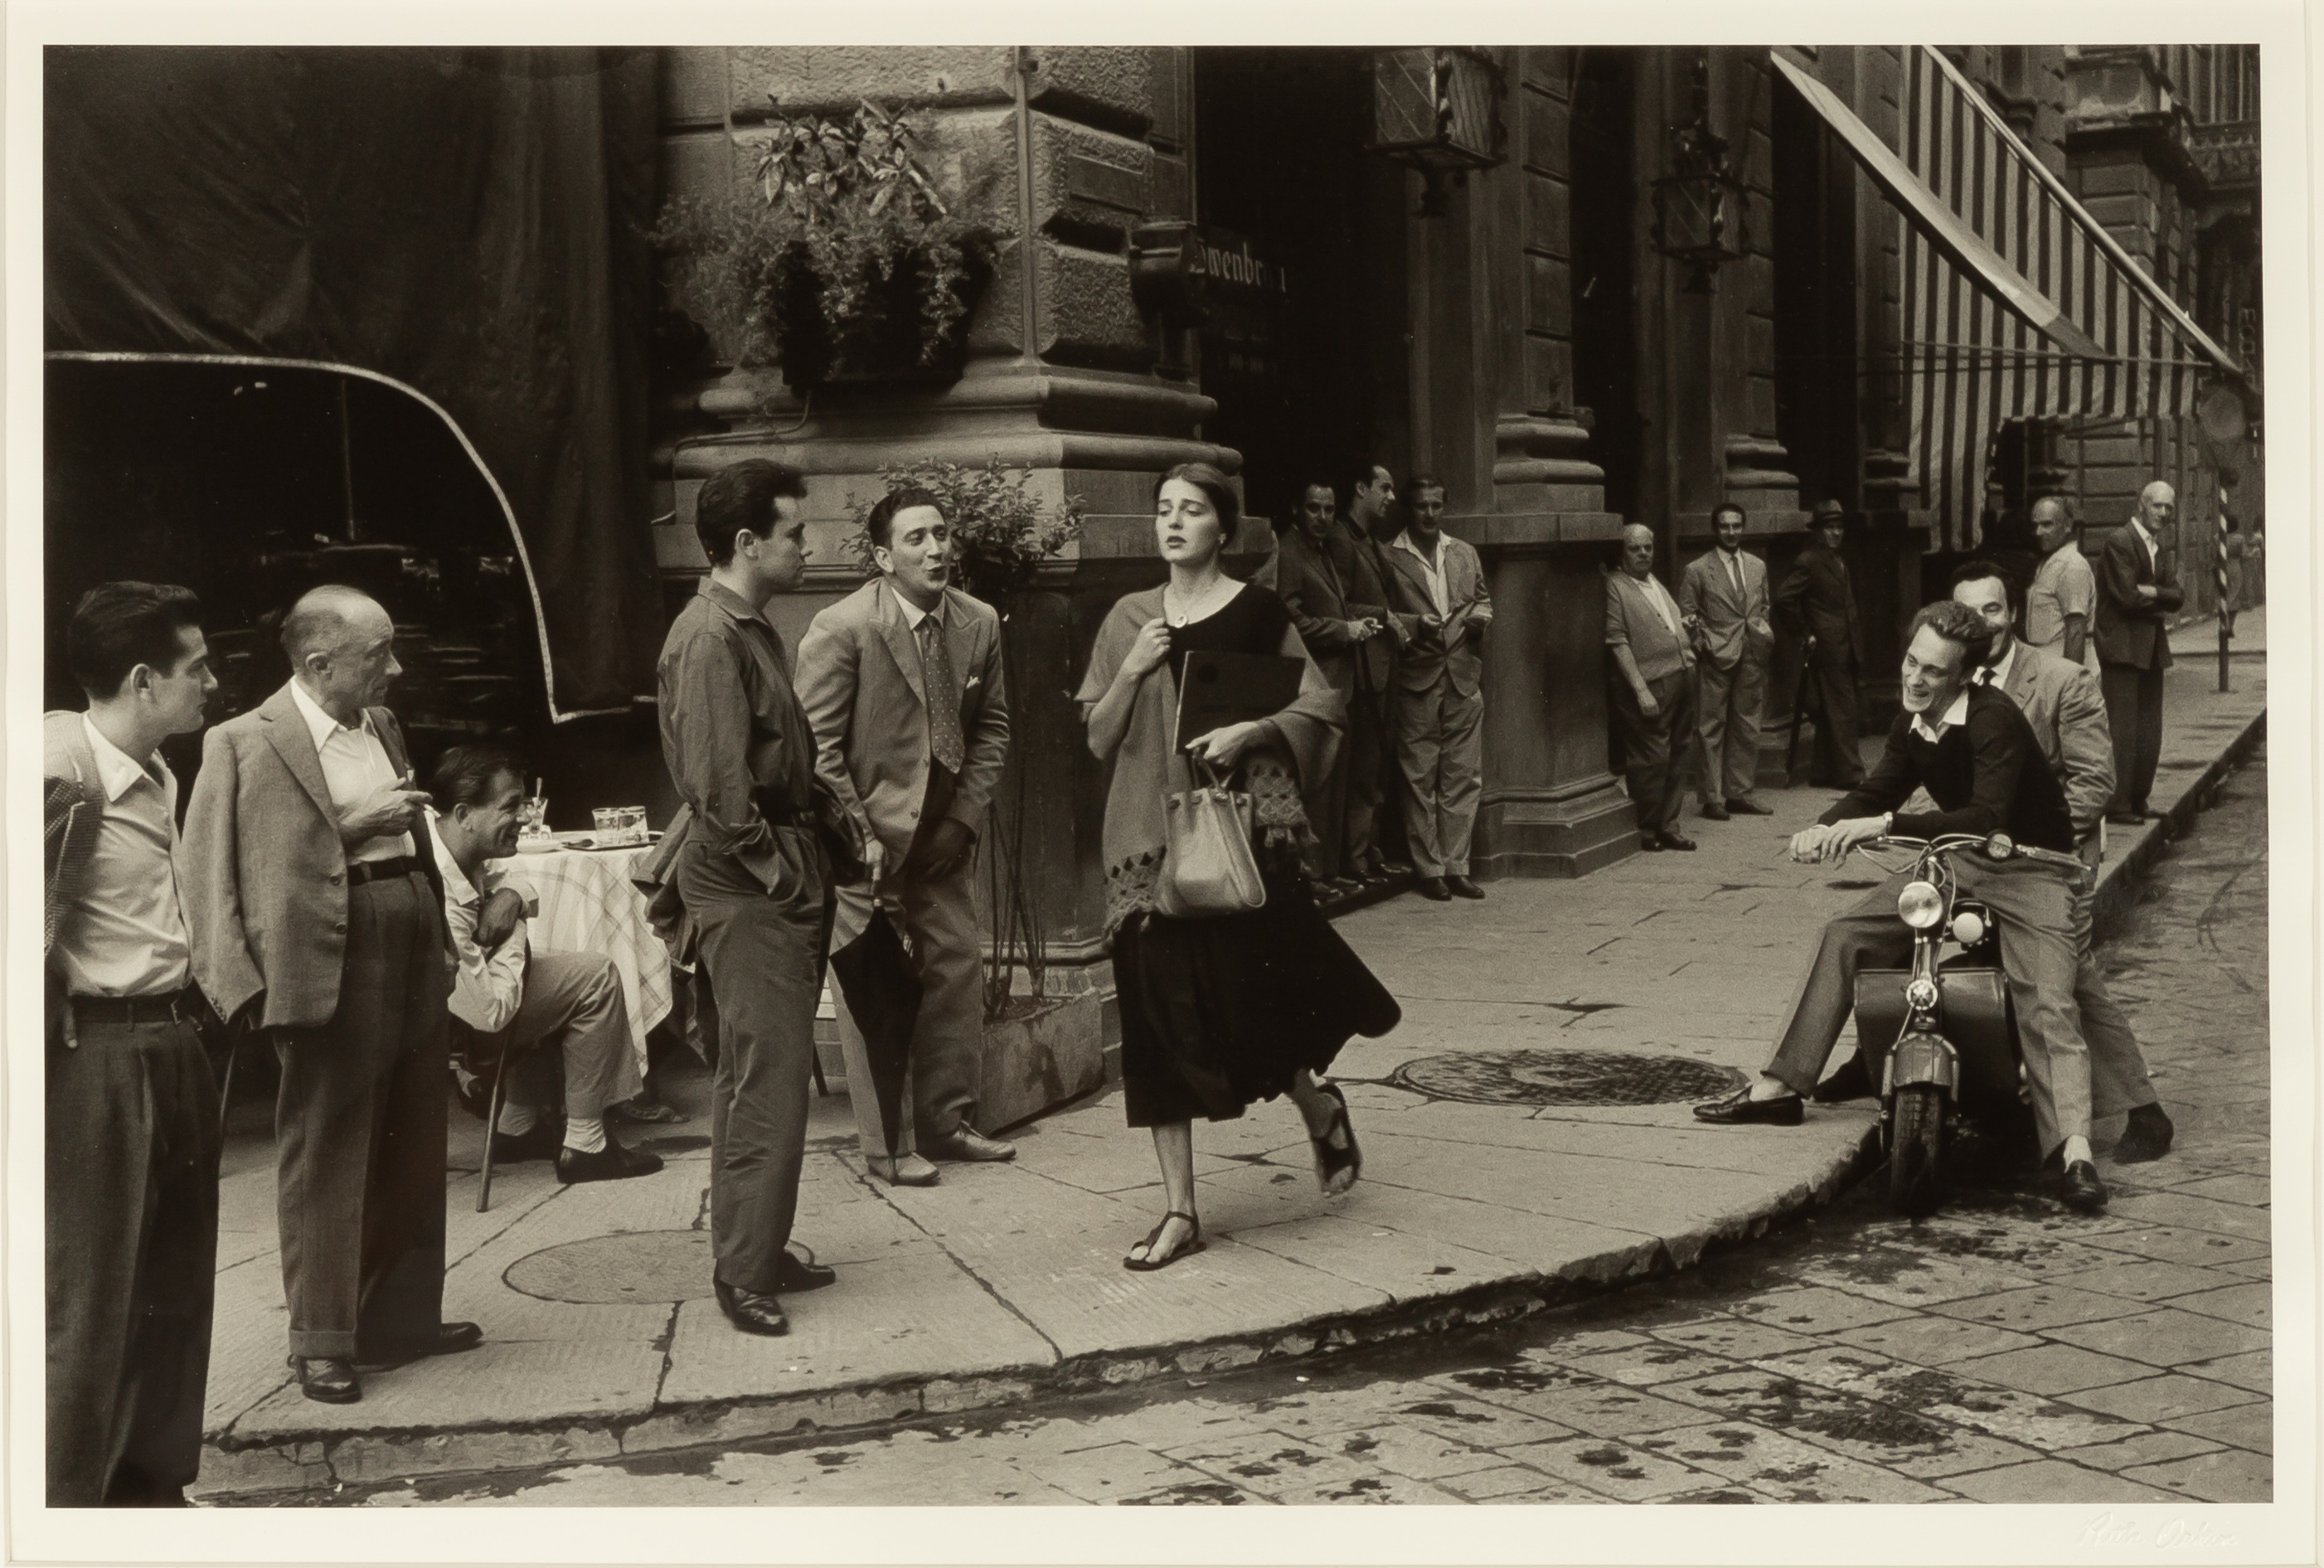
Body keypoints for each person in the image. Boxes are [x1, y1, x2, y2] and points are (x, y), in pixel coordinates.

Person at [1075, 462, 1400, 1271]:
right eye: (1163, 510)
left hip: (1241, 838)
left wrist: (1251, 731)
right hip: (1148, 847)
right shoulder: (1128, 618)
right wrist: (1132, 668)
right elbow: (1096, 735)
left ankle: (1315, 1104)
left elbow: (1320, 705)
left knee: (1253, 1006)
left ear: (1223, 528)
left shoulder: (1257, 613)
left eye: (1191, 511)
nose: (1173, 522)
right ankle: (1180, 1209)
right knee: (1156, 1029)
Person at [1692, 600, 2108, 1212]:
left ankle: (2073, 1152)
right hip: (1955, 862)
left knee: (2048, 1000)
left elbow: (1984, 815)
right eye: (1912, 662)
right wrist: (1823, 827)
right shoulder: (1911, 721)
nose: (1915, 679)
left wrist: (1878, 825)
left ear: (1963, 676)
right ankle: (1780, 1084)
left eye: (1933, 672)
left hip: (2030, 868)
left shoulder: (1993, 718)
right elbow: (1877, 786)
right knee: (1845, 931)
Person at [183, 585, 481, 1405]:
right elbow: (208, 875)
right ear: (318, 662)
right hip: (326, 950)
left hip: (407, 930)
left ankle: (404, 1316)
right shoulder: (242, 743)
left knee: (416, 1133)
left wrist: (444, 937)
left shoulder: (380, 725)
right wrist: (240, 992)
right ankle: (321, 1339)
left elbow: (414, 837)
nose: (397, 667)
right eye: (378, 653)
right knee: (328, 1148)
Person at [44, 583, 221, 1504]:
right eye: (197, 668)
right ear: (145, 679)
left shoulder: (155, 771)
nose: (212, 683)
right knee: (92, 1300)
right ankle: (65, 1511)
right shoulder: (53, 763)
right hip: (96, 1057)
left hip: (169, 1039)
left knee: (176, 1287)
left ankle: (152, 1494)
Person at [656, 459, 839, 1337]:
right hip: (750, 881)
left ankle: (755, 1247)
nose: (808, 546)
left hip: (770, 871)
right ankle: (744, 1272)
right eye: (794, 533)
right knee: (767, 1080)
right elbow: (722, 792)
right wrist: (782, 871)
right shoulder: (707, 639)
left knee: (757, 1074)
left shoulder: (743, 625)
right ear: (745, 543)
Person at [797, 486, 1016, 1187]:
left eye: (942, 533)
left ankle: (948, 1123)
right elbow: (817, 749)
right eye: (916, 538)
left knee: (954, 970)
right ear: (883, 556)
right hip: (863, 843)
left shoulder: (977, 622)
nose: (935, 548)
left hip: (941, 835)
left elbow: (992, 726)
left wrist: (961, 819)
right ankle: (887, 1146)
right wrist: (859, 836)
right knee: (875, 992)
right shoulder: (843, 627)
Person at [1949, 564, 2176, 1163]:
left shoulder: (2061, 678)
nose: (1981, 624)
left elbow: (2094, 781)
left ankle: (2142, 1110)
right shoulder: (1953, 679)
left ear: (2013, 614)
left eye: (1992, 610)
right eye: (1968, 613)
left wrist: (2025, 839)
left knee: (2068, 975)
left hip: (2055, 855)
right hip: (1985, 855)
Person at [425, 745, 665, 1185]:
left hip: (464, 1004)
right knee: (596, 977)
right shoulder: (442, 893)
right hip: (459, 1030)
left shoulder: (445, 842)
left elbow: (510, 881)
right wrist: (514, 927)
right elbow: (491, 1014)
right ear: (464, 814)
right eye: (510, 806)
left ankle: (518, 1125)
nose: (524, 817)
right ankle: (587, 1143)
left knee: (549, 971)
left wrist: (512, 897)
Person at [1381, 475, 1492, 901]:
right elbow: (1383, 612)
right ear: (1408, 509)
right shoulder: (1390, 556)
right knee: (1419, 776)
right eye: (1421, 506)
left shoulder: (1463, 552)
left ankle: (1457, 865)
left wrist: (1481, 617)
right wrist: (1412, 625)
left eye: (1436, 506)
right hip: (1417, 675)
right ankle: (1429, 869)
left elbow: (1482, 598)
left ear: (1444, 508)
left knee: (1463, 775)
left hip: (1463, 674)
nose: (1429, 514)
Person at [1274, 479, 1385, 896]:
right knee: (1318, 782)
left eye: (1328, 510)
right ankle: (1311, 875)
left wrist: (1355, 626)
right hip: (1315, 682)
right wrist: (1344, 630)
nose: (1322, 518)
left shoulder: (1318, 550)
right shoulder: (1289, 551)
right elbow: (1292, 619)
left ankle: (1327, 870)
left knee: (1339, 779)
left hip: (1340, 680)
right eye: (1313, 509)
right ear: (1296, 511)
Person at [1334, 460, 1411, 882]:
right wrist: (1385, 615)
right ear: (1361, 488)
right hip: (1360, 671)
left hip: (1383, 667)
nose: (1392, 497)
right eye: (1384, 487)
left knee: (1378, 763)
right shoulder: (1342, 540)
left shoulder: (1370, 541)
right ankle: (1357, 858)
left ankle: (1371, 850)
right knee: (1364, 765)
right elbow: (1339, 607)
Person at [1604, 523, 1699, 852]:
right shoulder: (1616, 586)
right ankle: (1646, 826)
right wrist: (1640, 688)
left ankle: (1668, 825)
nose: (1643, 553)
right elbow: (1617, 641)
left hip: (1683, 674)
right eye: (1635, 548)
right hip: (1651, 683)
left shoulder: (1653, 581)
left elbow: (1659, 622)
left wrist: (1683, 628)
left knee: (1680, 751)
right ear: (1622, 553)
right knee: (1650, 758)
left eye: (1648, 547)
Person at [2094, 481, 2184, 825]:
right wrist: (2161, 598)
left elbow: (2179, 597)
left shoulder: (2158, 547)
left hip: (2150, 649)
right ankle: (2118, 805)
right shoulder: (2120, 541)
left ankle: (2138, 799)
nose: (2163, 513)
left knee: (2149, 729)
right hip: (2122, 648)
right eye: (2158, 506)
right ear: (2141, 505)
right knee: (2123, 729)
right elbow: (2127, 597)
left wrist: (2154, 593)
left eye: (2169, 508)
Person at [1677, 502, 1774, 822]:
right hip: (1716, 655)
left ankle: (1740, 794)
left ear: (1743, 528)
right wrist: (1703, 645)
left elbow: (1764, 606)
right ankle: (1713, 798)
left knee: (1748, 724)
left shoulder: (1758, 566)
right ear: (1715, 529)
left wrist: (1761, 634)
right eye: (1725, 526)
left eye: (1736, 526)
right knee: (1711, 726)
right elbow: (1687, 615)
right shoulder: (1698, 569)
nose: (1731, 532)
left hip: (1751, 654)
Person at [1776, 500, 1868, 789]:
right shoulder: (1810, 560)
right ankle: (1851, 775)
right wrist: (1805, 633)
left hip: (1845, 643)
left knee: (1833, 709)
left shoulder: (1837, 559)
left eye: (1839, 528)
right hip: (1827, 646)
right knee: (1843, 709)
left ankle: (1823, 773)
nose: (1835, 533)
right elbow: (1783, 599)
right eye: (1829, 528)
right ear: (1817, 531)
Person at [2026, 494, 2096, 671]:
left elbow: (2076, 629)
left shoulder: (2072, 565)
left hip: (2062, 662)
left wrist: (2071, 682)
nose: (2038, 532)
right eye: (2035, 525)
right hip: (2046, 661)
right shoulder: (2051, 562)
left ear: (2067, 526)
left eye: (2047, 524)